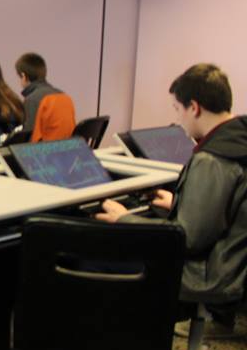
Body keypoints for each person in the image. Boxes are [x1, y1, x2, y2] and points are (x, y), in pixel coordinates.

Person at [96, 63, 247, 311]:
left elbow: (187, 239)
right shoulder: (239, 140)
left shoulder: (212, 159)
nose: (178, 119)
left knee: (100, 255)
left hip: (210, 277)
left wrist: (125, 219)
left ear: (194, 108)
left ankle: (118, 341)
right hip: (234, 268)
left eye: (178, 109)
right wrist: (179, 204)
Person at [15, 52, 76, 142]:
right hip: (66, 151)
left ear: (23, 76)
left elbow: (28, 138)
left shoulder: (32, 100)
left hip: (45, 153)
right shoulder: (64, 95)